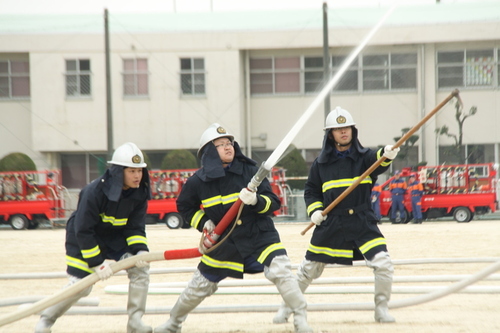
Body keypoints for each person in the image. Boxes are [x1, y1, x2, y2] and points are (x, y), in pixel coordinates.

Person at [154, 123, 312, 333]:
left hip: (259, 236)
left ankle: (301, 319)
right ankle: (173, 324)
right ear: (209, 152)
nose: (228, 147)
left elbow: (274, 202)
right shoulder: (198, 182)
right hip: (224, 243)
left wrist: (256, 201)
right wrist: (204, 223)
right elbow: (184, 206)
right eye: (220, 144)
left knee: (281, 270)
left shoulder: (250, 170)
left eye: (229, 142)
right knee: (199, 285)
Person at [273, 106, 399, 324]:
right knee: (308, 270)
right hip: (331, 223)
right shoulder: (320, 164)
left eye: (347, 128)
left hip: (362, 222)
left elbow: (379, 161)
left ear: (353, 130)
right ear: (330, 134)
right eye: (338, 129)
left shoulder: (365, 158)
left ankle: (381, 310)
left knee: (383, 264)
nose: (344, 132)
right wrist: (314, 211)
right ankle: (287, 307)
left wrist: (387, 154)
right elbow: (311, 191)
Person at [35, 142, 153, 333]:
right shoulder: (93, 192)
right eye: (131, 171)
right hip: (83, 238)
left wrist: (140, 251)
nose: (137, 176)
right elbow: (83, 229)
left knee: (141, 270)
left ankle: (135, 322)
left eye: (139, 170)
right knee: (82, 287)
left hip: (115, 238)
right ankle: (46, 320)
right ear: (118, 171)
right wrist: (97, 263)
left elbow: (135, 227)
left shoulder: (139, 193)